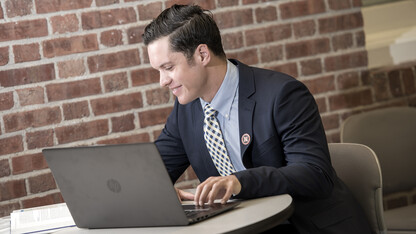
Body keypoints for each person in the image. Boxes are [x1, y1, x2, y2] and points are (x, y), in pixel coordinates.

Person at [142, 4, 371, 234]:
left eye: (168, 67)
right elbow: (153, 171)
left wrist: (239, 182)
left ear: (202, 54)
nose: (162, 81)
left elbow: (314, 174)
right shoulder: (186, 110)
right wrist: (158, 191)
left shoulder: (283, 94)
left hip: (306, 225)